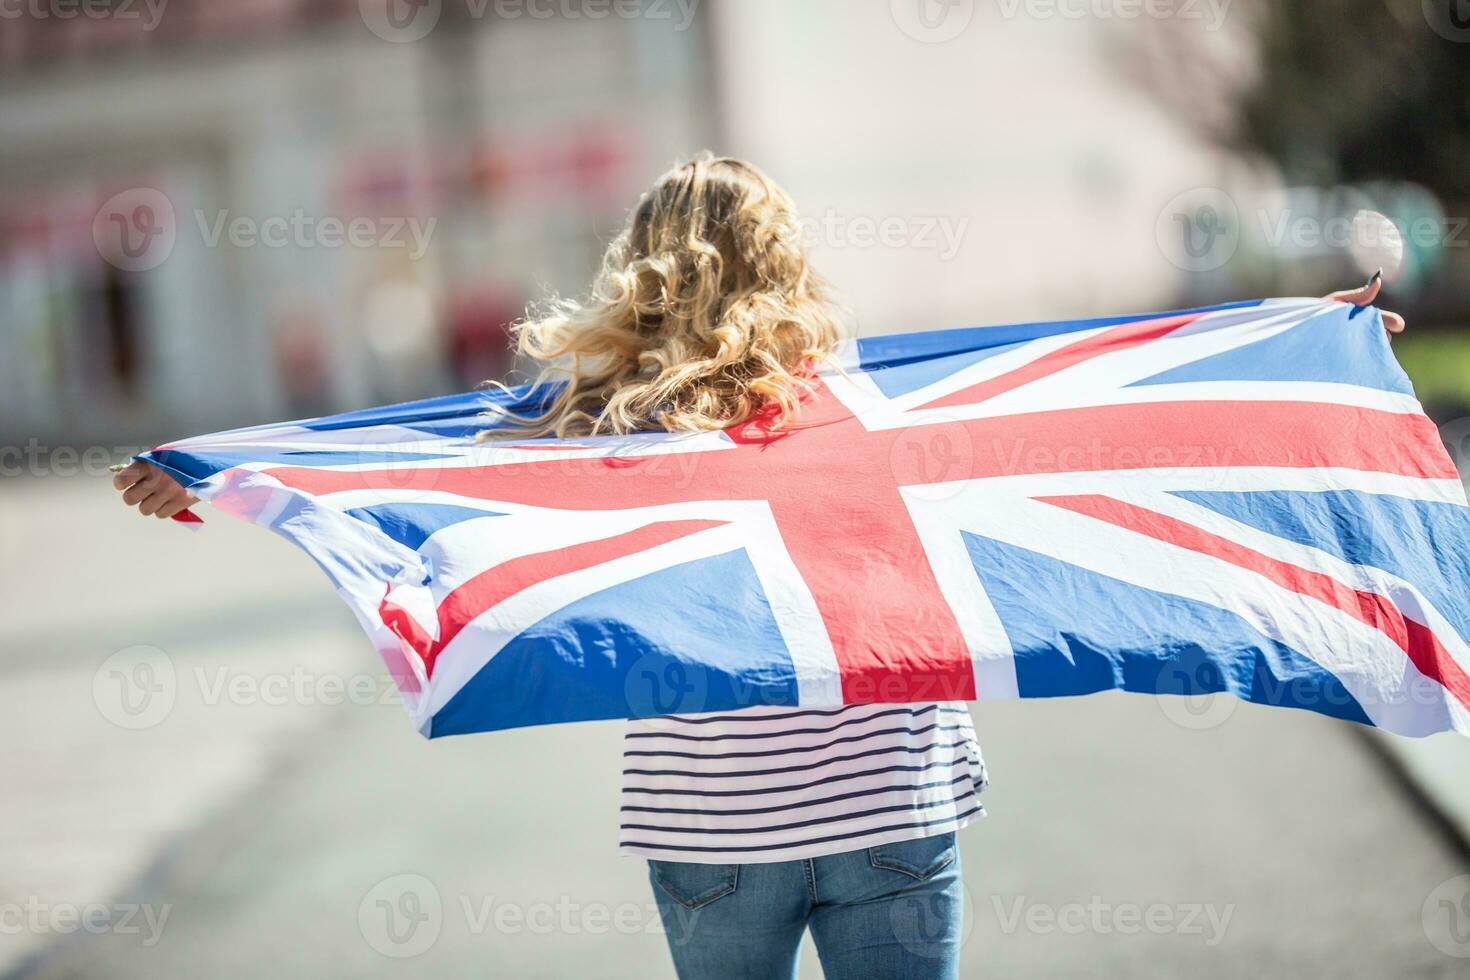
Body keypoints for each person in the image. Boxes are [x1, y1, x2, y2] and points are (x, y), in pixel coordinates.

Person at [112, 154, 1407, 980]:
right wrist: (1302, 344)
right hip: (892, 802)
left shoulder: (590, 417)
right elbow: (1094, 393)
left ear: (643, 267)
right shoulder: (876, 400)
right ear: (788, 263)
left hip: (710, 821)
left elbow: (396, 456)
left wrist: (205, 465)